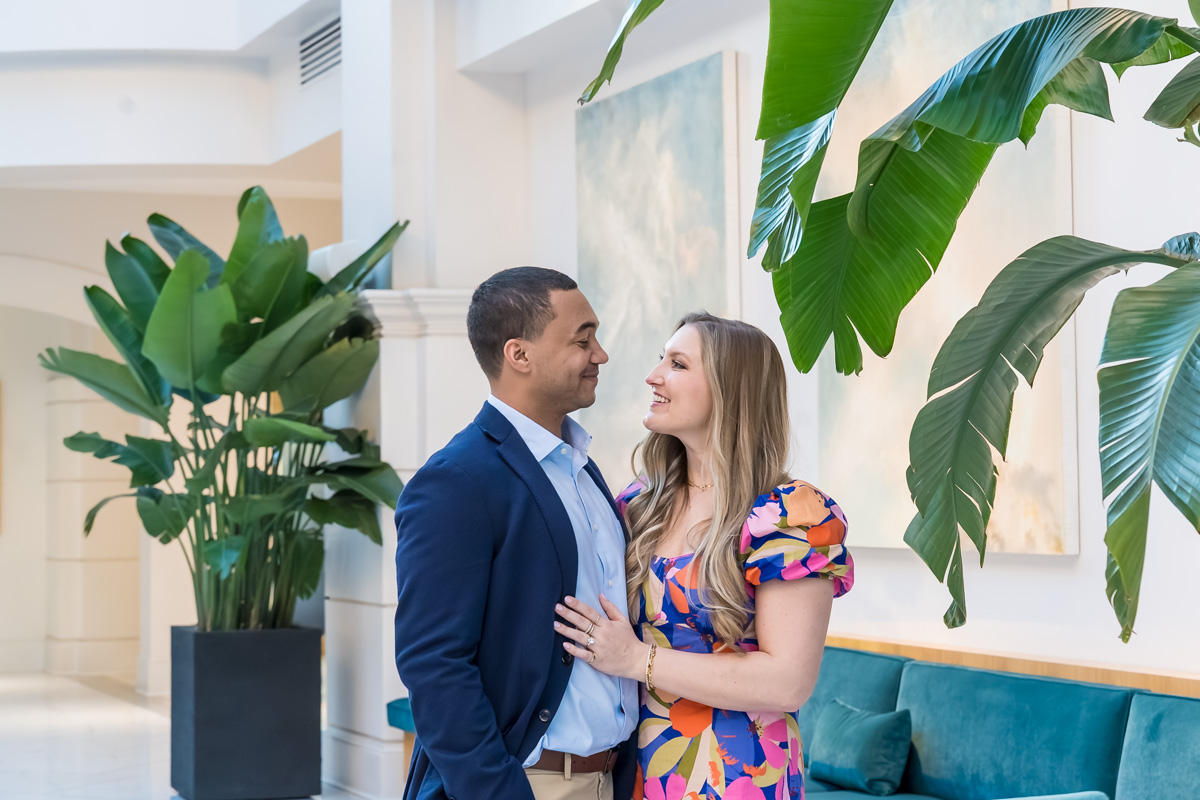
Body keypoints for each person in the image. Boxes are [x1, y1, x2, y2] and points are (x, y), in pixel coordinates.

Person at [553, 312, 854, 800]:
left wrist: (637, 659)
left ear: (728, 388)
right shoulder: (637, 504)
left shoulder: (790, 515)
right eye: (660, 361)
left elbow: (787, 681)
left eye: (677, 364)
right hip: (626, 773)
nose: (654, 377)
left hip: (737, 777)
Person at [394, 267, 639, 800]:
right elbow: (433, 663)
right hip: (531, 785)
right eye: (583, 339)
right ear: (519, 355)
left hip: (609, 781)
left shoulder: (583, 470)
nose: (600, 354)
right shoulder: (455, 481)